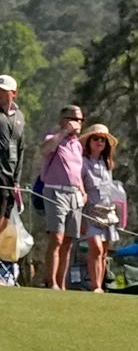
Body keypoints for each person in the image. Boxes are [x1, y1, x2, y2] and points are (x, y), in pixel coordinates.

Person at [35, 104, 87, 290]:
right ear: (63, 119)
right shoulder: (54, 138)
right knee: (56, 237)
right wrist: (64, 132)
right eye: (74, 118)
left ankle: (61, 282)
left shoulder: (77, 146)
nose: (78, 123)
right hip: (55, 191)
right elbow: (44, 150)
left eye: (80, 119)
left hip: (74, 194)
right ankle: (51, 281)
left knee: (68, 240)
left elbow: (77, 171)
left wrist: (82, 190)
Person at [78, 124, 126, 293]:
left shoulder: (107, 164)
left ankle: (100, 285)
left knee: (104, 252)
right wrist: (81, 218)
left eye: (103, 140)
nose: (99, 142)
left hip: (107, 212)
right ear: (89, 141)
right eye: (96, 139)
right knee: (96, 248)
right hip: (90, 212)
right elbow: (80, 188)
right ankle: (94, 285)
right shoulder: (83, 163)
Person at [0, 74, 25, 288]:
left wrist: (17, 181)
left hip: (9, 180)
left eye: (4, 91)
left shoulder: (19, 117)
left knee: (3, 224)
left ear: (13, 93)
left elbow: (21, 149)